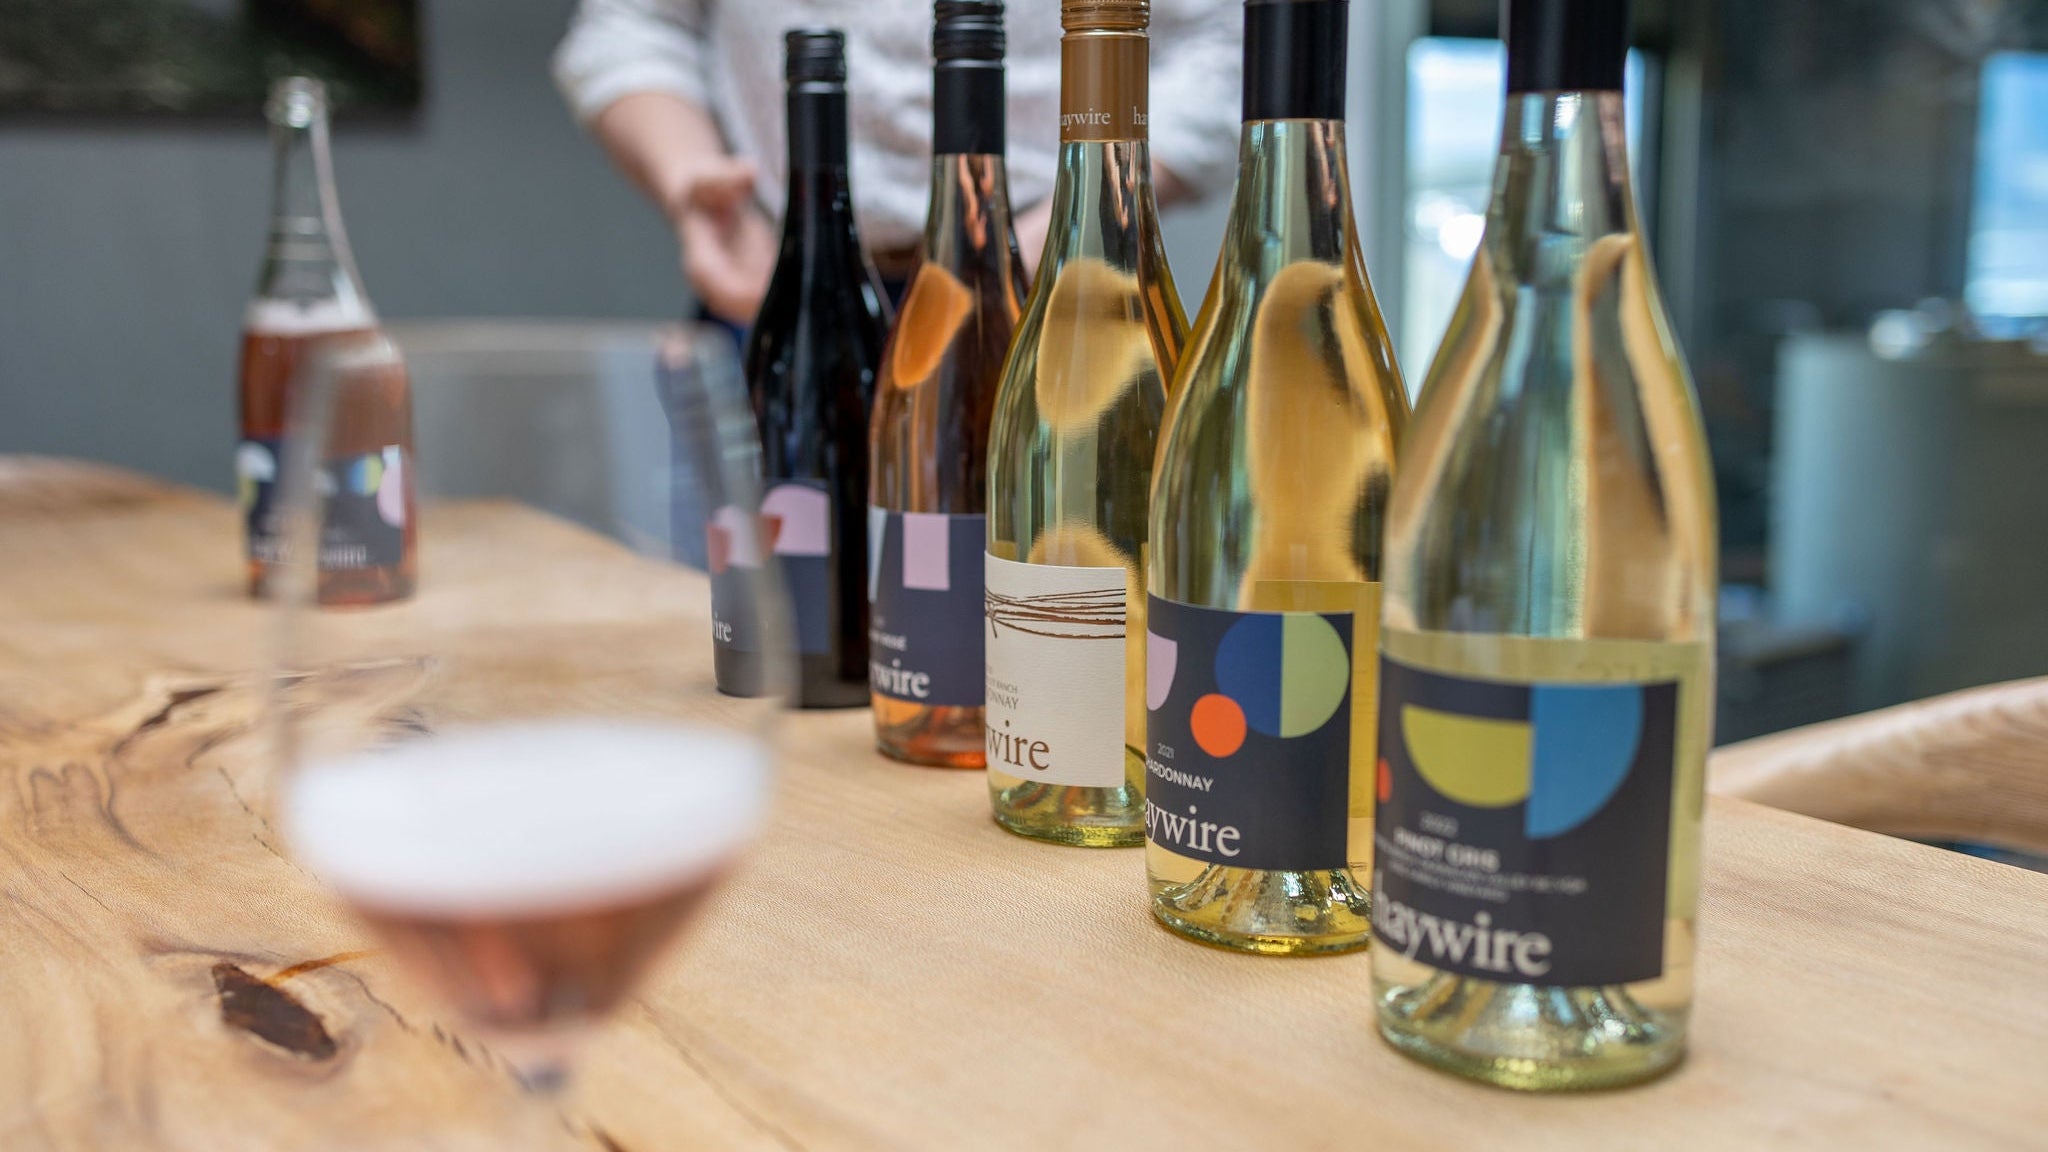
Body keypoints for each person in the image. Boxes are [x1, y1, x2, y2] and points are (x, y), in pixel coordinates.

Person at [554, 0, 1242, 326]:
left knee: (1050, 597)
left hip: (1053, 294)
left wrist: (1075, 226)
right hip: (772, 285)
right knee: (755, 606)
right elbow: (631, 26)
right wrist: (689, 179)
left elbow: (1229, 41)